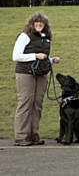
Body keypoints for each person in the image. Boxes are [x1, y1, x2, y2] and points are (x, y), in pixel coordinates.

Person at [12, 12, 61, 146]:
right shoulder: (24, 36)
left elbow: (42, 58)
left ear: (45, 25)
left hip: (41, 74)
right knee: (26, 103)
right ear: (32, 24)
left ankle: (34, 135)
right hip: (25, 73)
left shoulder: (46, 38)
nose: (39, 24)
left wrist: (51, 60)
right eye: (36, 22)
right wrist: (35, 55)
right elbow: (16, 56)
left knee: (37, 104)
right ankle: (21, 136)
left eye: (42, 23)